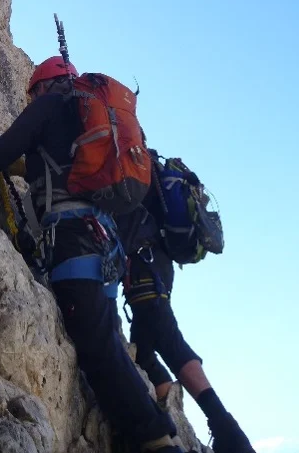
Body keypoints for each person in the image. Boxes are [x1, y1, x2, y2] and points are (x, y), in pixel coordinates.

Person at [0, 56, 185, 453]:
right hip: (105, 244)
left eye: (32, 91)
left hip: (72, 240)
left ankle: (156, 436)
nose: (31, 97)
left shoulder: (49, 106)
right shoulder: (88, 121)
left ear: (42, 87)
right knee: (106, 341)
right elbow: (53, 170)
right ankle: (137, 428)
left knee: (97, 346)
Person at [119, 152, 257, 453]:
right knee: (142, 354)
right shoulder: (143, 158)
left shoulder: (123, 162)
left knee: (169, 341)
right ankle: (170, 436)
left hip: (144, 266)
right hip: (158, 266)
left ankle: (229, 432)